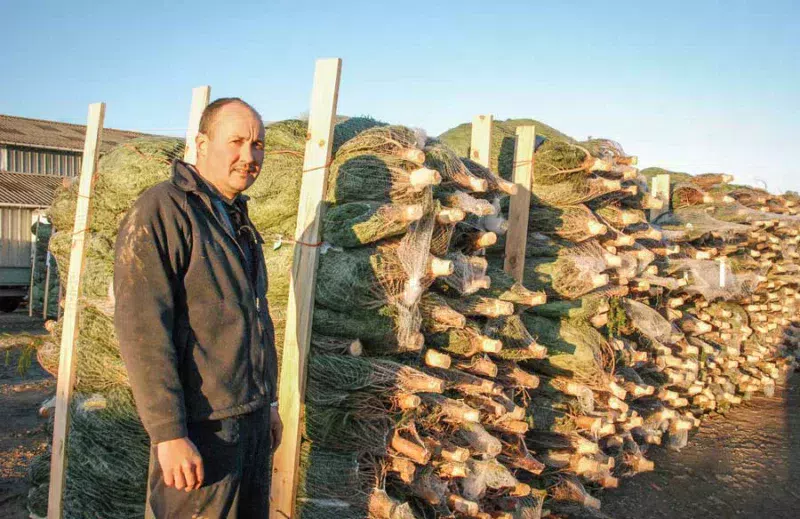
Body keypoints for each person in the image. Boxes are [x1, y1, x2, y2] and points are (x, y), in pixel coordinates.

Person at [114, 98, 282, 518]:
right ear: (202, 144)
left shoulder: (236, 217)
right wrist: (169, 434)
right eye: (237, 142)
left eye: (258, 145)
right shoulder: (165, 210)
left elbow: (253, 317)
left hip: (250, 419)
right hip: (204, 427)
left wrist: (269, 404)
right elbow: (143, 329)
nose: (249, 156)